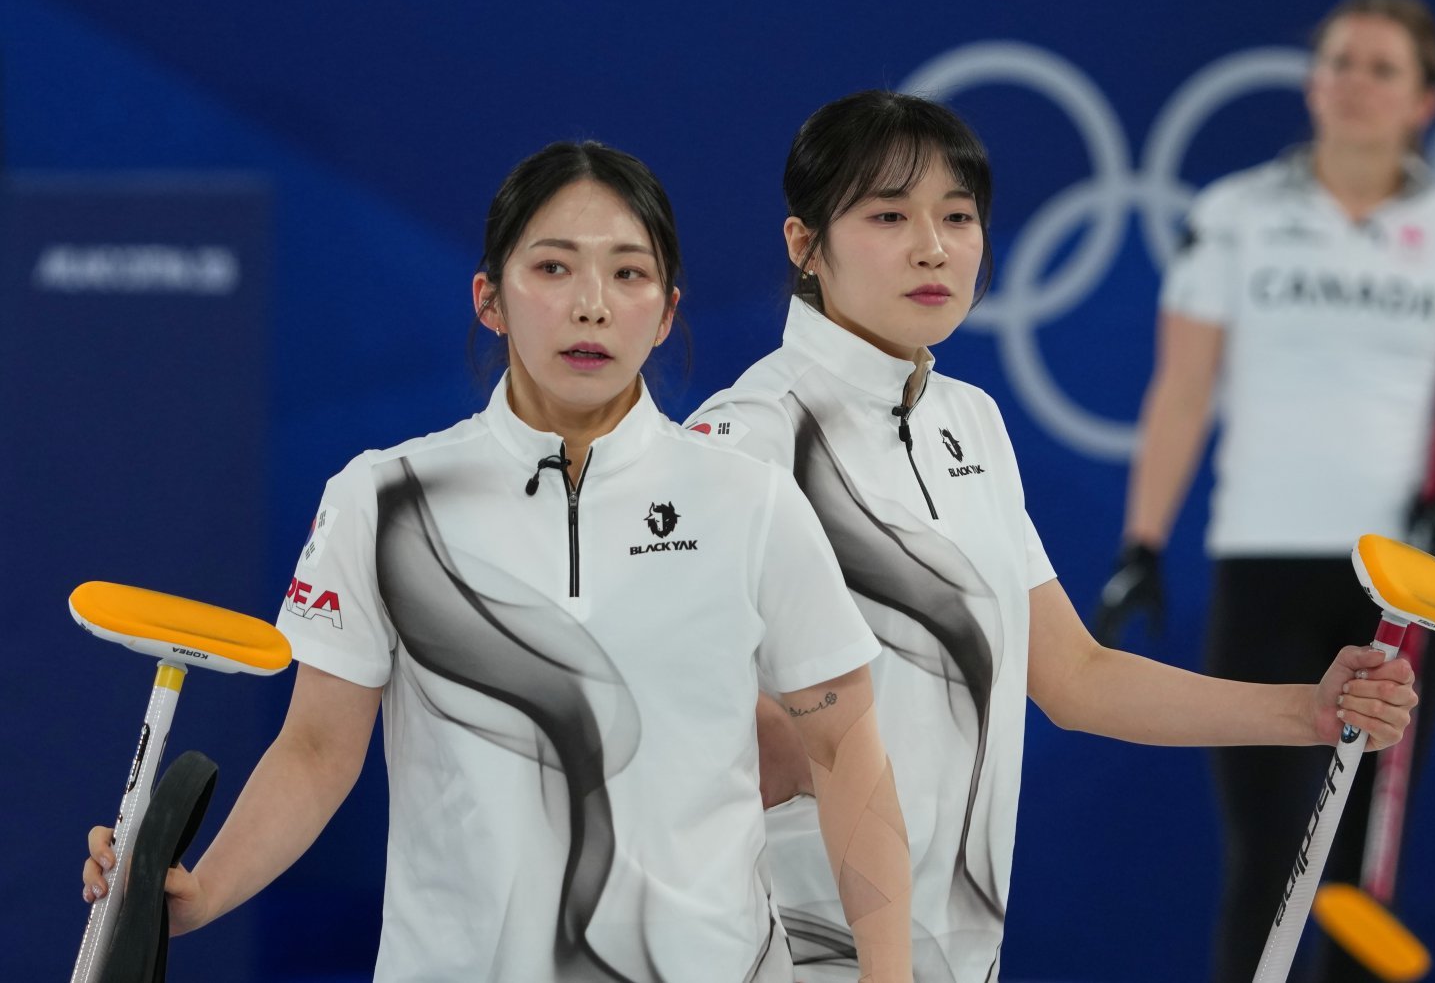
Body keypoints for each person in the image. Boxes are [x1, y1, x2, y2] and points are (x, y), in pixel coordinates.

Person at [82, 141, 916, 983]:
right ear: (490, 299)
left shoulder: (756, 502)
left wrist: (889, 976)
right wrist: (201, 890)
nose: (591, 305)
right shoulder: (384, 499)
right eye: (553, 268)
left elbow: (847, 755)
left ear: (666, 312)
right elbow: (315, 751)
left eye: (628, 275)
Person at [683, 90, 1421, 983]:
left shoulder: (972, 421)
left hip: (962, 953)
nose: (934, 246)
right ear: (805, 245)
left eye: (958, 217)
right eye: (888, 215)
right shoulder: (744, 439)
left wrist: (1308, 710)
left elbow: (1074, 677)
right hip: (792, 953)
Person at [1093, 0, 1435, 982]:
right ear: (1310, 81)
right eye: (1337, 61)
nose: (1352, 83)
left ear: (1425, 98)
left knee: (1356, 867)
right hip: (1262, 564)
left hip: (1399, 585)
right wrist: (1142, 540)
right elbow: (1182, 389)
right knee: (1266, 851)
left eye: (1381, 68)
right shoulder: (1236, 214)